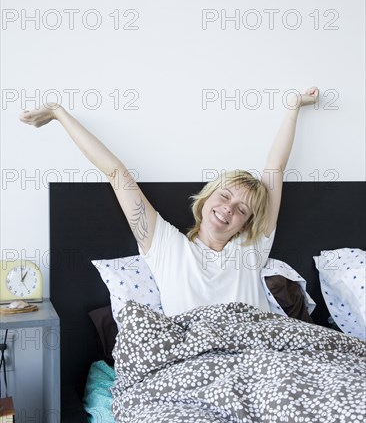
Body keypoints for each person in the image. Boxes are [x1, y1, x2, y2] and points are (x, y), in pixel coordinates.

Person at [19, 87, 319, 316]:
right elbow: (116, 173)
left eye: (242, 209)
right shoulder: (165, 246)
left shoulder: (251, 248)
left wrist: (293, 108)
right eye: (225, 195)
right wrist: (59, 113)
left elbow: (274, 170)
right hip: (194, 364)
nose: (229, 208)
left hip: (255, 358)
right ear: (205, 199)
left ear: (247, 224)